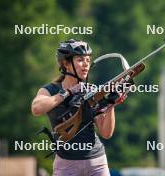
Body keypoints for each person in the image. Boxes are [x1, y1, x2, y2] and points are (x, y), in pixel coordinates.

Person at [31, 39, 120, 176]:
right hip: (66, 165)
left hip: (97, 162)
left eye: (88, 60)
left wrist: (110, 105)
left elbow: (106, 133)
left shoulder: (92, 91)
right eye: (80, 60)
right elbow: (36, 109)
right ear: (66, 63)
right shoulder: (51, 90)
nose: (86, 65)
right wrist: (68, 92)